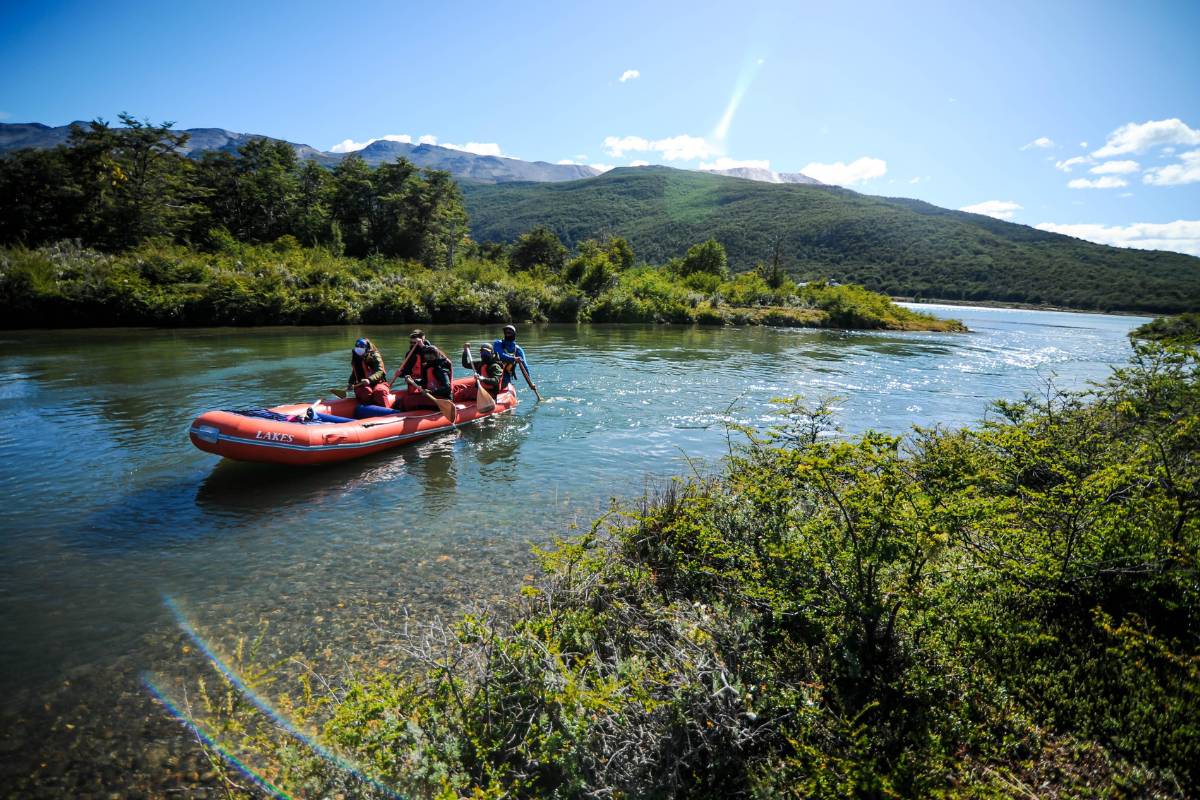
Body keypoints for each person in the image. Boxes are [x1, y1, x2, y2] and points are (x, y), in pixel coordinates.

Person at [398, 329, 454, 407]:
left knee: (406, 401)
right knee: (406, 400)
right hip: (432, 395)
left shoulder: (440, 369)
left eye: (430, 356)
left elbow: (447, 389)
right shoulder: (428, 366)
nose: (428, 358)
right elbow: (425, 381)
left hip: (442, 398)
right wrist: (411, 380)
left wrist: (431, 392)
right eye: (426, 356)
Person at [347, 337, 392, 407]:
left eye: (361, 347)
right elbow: (355, 372)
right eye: (357, 346)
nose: (358, 348)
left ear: (366, 348)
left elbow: (380, 371)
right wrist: (350, 383)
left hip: (378, 382)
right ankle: (369, 411)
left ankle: (386, 413)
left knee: (380, 392)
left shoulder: (375, 356)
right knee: (366, 392)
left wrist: (369, 379)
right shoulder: (356, 357)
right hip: (361, 385)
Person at [493, 324, 533, 391]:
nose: (507, 333)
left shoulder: (518, 350)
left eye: (510, 332)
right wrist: (514, 359)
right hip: (493, 372)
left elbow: (525, 366)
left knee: (503, 384)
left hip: (506, 375)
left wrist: (530, 383)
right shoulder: (498, 343)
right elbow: (500, 355)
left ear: (514, 334)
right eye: (506, 332)